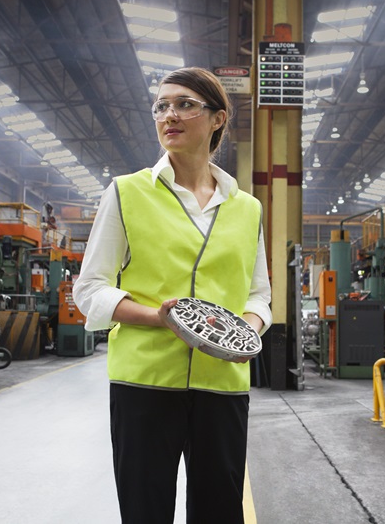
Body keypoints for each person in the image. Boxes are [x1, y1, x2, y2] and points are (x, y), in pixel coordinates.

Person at [73, 66, 272, 524]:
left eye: (185, 104)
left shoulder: (247, 208)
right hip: (144, 383)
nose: (170, 115)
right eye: (161, 106)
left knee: (221, 512)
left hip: (222, 385)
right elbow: (90, 289)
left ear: (218, 118)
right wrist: (157, 318)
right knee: (146, 511)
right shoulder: (126, 193)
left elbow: (259, 295)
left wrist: (245, 334)